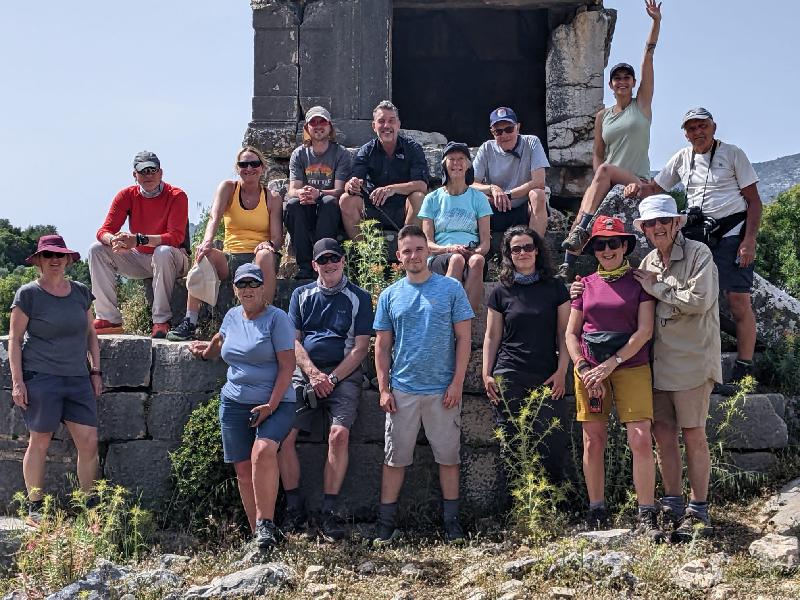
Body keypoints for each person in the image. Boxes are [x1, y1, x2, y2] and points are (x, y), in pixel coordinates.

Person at [625, 107, 762, 395]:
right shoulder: (682, 158)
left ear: (713, 127)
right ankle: (701, 365)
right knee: (695, 300)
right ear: (685, 133)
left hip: (732, 234)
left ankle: (745, 367)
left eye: (703, 126)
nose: (698, 132)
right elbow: (657, 187)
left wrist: (749, 240)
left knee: (737, 300)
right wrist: (633, 188)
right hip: (700, 234)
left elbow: (754, 201)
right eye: (691, 128)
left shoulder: (733, 154)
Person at [373, 225, 474, 545]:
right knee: (394, 459)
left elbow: (464, 339)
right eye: (407, 251)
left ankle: (452, 523)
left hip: (442, 390)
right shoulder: (390, 295)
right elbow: (381, 346)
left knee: (448, 458)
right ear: (399, 257)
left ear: (428, 252)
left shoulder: (451, 289)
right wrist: (384, 388)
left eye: (419, 249)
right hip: (402, 391)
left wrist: (457, 384)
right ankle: (385, 525)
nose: (413, 256)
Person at [563, 217, 660, 539]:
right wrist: (581, 365)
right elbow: (571, 332)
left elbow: (644, 330)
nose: (607, 250)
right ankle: (597, 508)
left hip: (631, 365)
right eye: (600, 245)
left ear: (625, 246)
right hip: (590, 370)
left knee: (641, 436)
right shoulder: (585, 284)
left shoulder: (639, 282)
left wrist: (613, 363)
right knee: (593, 440)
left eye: (613, 243)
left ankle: (647, 511)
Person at [188, 263, 296, 550]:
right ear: (234, 290)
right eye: (242, 285)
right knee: (243, 469)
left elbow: (288, 367)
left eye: (253, 284)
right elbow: (221, 339)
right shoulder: (232, 315)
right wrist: (206, 352)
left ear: (263, 288)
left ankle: (266, 526)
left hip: (276, 401)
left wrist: (270, 406)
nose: (247, 290)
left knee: (262, 451)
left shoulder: (278, 319)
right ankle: (257, 538)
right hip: (234, 401)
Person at [278, 239, 373, 541]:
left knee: (339, 434)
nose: (329, 265)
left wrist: (330, 379)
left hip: (343, 374)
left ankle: (328, 512)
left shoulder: (360, 297)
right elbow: (293, 341)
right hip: (307, 372)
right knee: (283, 436)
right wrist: (313, 374)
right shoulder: (300, 295)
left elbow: (360, 349)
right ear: (315, 264)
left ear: (343, 261)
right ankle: (295, 508)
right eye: (323, 260)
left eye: (334, 259)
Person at [559, 0, 662, 277]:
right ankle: (567, 266)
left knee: (597, 186)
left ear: (633, 83)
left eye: (627, 77)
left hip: (636, 179)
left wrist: (655, 23)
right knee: (583, 208)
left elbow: (648, 58)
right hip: (609, 176)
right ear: (611, 84)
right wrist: (598, 179)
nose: (622, 81)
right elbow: (598, 152)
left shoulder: (641, 106)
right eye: (617, 78)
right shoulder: (603, 116)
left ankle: (583, 230)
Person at [8, 235, 102, 526]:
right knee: (40, 441)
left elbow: (90, 334)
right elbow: (14, 340)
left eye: (59, 255)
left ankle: (90, 508)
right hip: (42, 377)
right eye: (47, 255)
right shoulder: (28, 294)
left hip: (77, 378)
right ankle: (35, 507)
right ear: (38, 260)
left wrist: (95, 371)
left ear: (68, 260)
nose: (54, 260)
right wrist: (18, 381)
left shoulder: (81, 292)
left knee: (89, 441)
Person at [481, 225, 570, 498]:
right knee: (511, 439)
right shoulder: (500, 291)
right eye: (516, 249)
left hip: (546, 374)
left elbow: (564, 334)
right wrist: (487, 374)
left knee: (551, 440)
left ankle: (551, 502)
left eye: (528, 247)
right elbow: (492, 336)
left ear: (537, 251)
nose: (522, 253)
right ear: (509, 254)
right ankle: (516, 503)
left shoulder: (555, 288)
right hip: (509, 373)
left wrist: (561, 371)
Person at [167, 147, 283, 341]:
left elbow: (277, 238)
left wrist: (268, 244)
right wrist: (206, 242)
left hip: (259, 256)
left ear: (262, 168)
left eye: (254, 164)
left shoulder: (272, 197)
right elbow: (214, 217)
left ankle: (264, 319)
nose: (249, 168)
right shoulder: (228, 188)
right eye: (243, 164)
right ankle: (190, 321)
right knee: (206, 255)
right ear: (237, 168)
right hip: (231, 254)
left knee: (265, 254)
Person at [89, 150, 190, 338]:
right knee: (96, 250)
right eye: (143, 171)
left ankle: (161, 321)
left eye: (153, 170)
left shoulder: (177, 195)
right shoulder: (126, 195)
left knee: (162, 252)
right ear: (135, 175)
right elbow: (102, 231)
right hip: (141, 257)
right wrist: (114, 240)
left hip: (174, 258)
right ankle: (108, 318)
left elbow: (175, 237)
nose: (148, 175)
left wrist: (138, 239)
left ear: (161, 173)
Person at [418, 141, 492, 312]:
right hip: (440, 256)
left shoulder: (478, 198)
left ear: (468, 165)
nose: (457, 163)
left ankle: (464, 318)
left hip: (471, 252)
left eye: (461, 159)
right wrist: (449, 249)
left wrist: (474, 252)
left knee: (477, 260)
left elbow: (485, 244)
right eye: (451, 159)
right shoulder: (432, 199)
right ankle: (447, 315)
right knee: (456, 259)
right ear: (444, 164)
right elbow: (427, 243)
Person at [339, 101, 429, 239]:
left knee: (419, 198)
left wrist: (392, 189)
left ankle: (408, 249)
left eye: (391, 121)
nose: (386, 126)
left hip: (403, 209)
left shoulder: (413, 148)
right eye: (381, 121)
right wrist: (352, 185)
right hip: (374, 209)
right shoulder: (366, 150)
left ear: (398, 124)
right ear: (374, 126)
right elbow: (351, 183)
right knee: (346, 199)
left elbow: (422, 186)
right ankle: (363, 253)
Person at [285, 106, 352, 279]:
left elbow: (339, 190)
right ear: (307, 128)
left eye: (322, 121)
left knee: (328, 202)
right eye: (313, 122)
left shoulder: (341, 153)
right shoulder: (299, 154)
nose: (318, 125)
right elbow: (292, 190)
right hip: (306, 205)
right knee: (292, 205)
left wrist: (318, 194)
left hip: (328, 209)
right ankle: (305, 266)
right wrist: (302, 194)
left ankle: (322, 258)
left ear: (330, 126)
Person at [471, 106, 550, 238]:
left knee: (538, 194)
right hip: (494, 208)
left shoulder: (532, 142)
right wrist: (491, 188)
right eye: (499, 131)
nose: (505, 135)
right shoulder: (486, 148)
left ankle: (535, 247)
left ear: (518, 127)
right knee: (472, 197)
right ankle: (481, 246)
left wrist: (508, 195)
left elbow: (539, 181)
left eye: (509, 129)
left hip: (523, 208)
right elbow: (471, 183)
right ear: (492, 132)